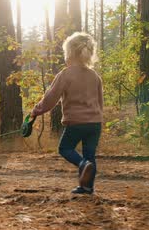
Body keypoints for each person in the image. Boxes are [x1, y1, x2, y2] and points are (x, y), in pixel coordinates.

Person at [30, 32, 103, 195]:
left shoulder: (66, 74)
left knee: (65, 148)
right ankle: (87, 187)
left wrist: (37, 110)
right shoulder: (95, 76)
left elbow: (50, 98)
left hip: (76, 122)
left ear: (69, 53)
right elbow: (100, 102)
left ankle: (83, 166)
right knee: (90, 154)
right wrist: (98, 118)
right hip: (95, 123)